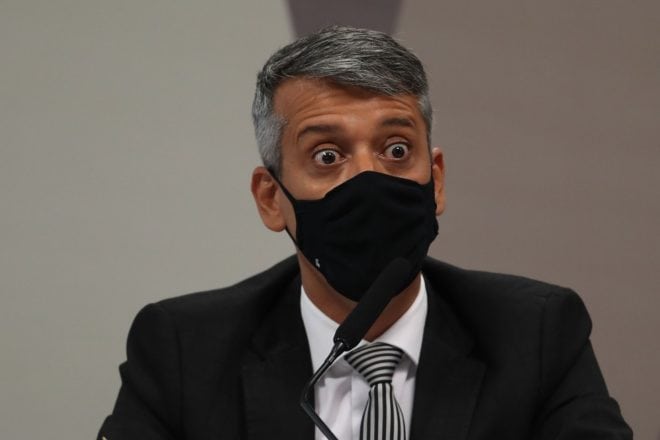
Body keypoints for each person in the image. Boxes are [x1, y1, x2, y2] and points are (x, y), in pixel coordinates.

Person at [98, 26, 632, 440]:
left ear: (436, 179)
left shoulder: (535, 335)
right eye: (327, 156)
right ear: (270, 198)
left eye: (396, 150)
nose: (368, 181)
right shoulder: (184, 350)